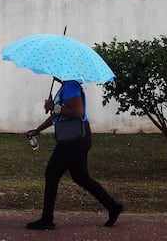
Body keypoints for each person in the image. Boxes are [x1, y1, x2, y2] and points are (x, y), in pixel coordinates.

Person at [25, 79, 123, 230]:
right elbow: (57, 116)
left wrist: (54, 107)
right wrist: (37, 130)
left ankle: (47, 219)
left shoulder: (71, 85)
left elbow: (78, 112)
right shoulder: (65, 87)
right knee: (81, 177)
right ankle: (113, 207)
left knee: (52, 173)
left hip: (74, 140)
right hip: (77, 138)